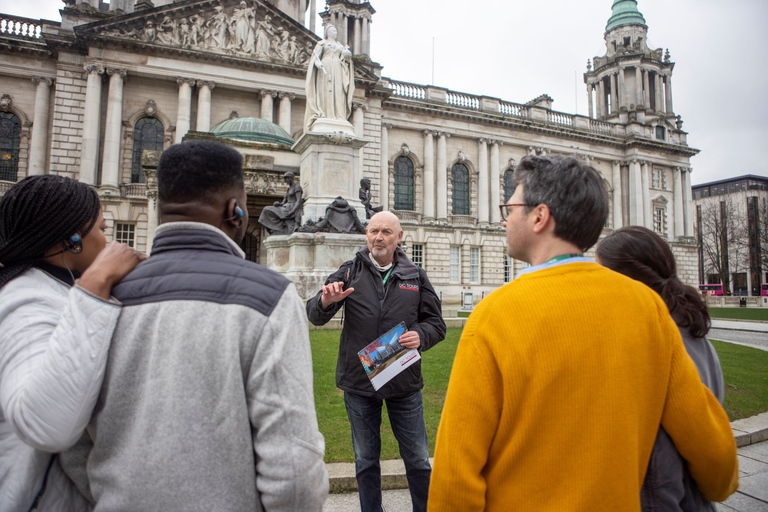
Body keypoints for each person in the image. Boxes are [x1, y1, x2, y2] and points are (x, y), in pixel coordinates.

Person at [428, 155, 738, 511]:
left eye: (510, 206)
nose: (505, 217)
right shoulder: (647, 306)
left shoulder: (493, 316)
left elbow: (454, 479)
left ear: (539, 216)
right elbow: (716, 458)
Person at [59, 140, 328, 510]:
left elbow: (67, 435)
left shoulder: (96, 296)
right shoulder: (272, 296)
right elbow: (295, 469)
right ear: (235, 211)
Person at [0, 175, 145, 511]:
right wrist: (95, 284)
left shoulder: (36, 288)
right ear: (73, 239)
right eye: (102, 229)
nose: (108, 241)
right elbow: (46, 426)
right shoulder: (26, 301)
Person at [306, 210, 446, 512]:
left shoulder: (415, 275)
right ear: (366, 234)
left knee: (419, 460)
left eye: (385, 232)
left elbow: (436, 324)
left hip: (404, 383)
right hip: (359, 382)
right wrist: (325, 300)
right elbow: (315, 314)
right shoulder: (348, 271)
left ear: (399, 237)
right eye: (373, 231)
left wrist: (421, 335)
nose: (378, 237)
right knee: (366, 460)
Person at [597, 225, 725, 512]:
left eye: (602, 274)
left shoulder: (654, 345)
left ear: (628, 280)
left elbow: (667, 464)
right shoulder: (695, 337)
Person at [304, 24, 354, 132]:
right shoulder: (321, 44)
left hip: (338, 68)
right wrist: (318, 64)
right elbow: (315, 58)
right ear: (327, 32)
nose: (335, 32)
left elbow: (346, 60)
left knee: (338, 92)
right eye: (332, 30)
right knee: (325, 91)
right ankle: (325, 113)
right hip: (325, 69)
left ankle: (339, 115)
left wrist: (347, 57)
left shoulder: (340, 46)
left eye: (335, 30)